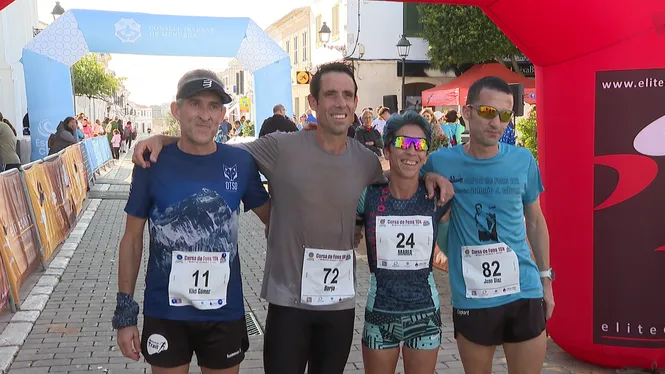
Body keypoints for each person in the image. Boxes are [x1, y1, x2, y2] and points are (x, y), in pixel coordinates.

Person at [131, 62, 453, 374]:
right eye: (330, 94)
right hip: (288, 302)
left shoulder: (366, 161)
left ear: (355, 102)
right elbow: (211, 146)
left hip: (338, 304)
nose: (340, 103)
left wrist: (429, 175)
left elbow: (400, 173)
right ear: (313, 102)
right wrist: (165, 141)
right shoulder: (280, 148)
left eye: (347, 95)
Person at [113, 69, 271, 374]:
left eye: (213, 106)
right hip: (166, 313)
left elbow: (275, 220)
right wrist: (125, 315)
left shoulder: (240, 162)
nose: (205, 115)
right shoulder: (151, 163)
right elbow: (131, 239)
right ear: (177, 109)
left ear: (223, 114)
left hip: (224, 312)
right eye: (195, 104)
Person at [421, 76, 554, 374]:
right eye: (487, 112)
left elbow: (534, 220)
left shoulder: (522, 160)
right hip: (474, 294)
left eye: (505, 115)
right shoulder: (440, 162)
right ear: (467, 112)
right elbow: (402, 182)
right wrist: (426, 177)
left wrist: (546, 281)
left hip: (524, 290)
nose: (496, 122)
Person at [355, 111, 450, 374]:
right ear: (386, 150)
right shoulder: (368, 195)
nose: (411, 151)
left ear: (426, 154)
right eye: (402, 143)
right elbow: (346, 236)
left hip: (425, 315)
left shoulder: (437, 196)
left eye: (419, 145)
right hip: (379, 315)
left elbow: (452, 245)